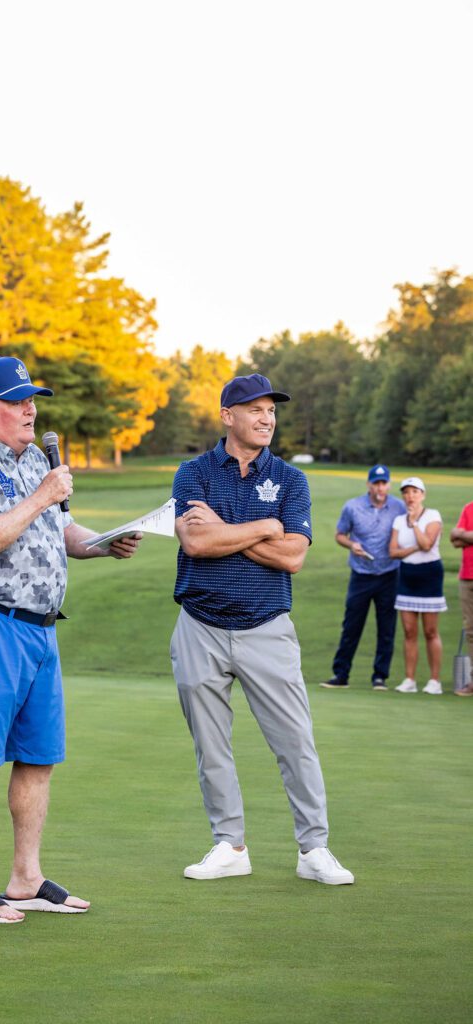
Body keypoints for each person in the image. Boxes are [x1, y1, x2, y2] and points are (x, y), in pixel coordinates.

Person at [0, 355, 140, 924]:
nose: (30, 410)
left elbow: (58, 530)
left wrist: (102, 543)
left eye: (32, 400)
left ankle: (25, 877)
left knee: (38, 756)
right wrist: (44, 495)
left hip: (39, 628)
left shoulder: (30, 461)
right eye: (17, 401)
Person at [170, 373, 354, 886]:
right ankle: (229, 845)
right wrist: (266, 527)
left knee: (295, 742)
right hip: (199, 626)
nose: (267, 418)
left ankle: (314, 849)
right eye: (255, 409)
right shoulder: (192, 473)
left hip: (268, 626)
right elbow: (195, 543)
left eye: (272, 410)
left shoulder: (291, 480)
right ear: (227, 416)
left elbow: (293, 556)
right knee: (211, 746)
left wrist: (226, 529)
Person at [320, 465, 405, 691]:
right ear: (369, 484)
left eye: (384, 483)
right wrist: (351, 545)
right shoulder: (353, 506)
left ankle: (380, 677)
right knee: (351, 626)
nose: (380, 488)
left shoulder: (399, 507)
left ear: (389, 485)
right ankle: (341, 674)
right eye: (376, 483)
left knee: (386, 628)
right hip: (361, 574)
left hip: (389, 574)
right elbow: (340, 535)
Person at [389, 477, 446, 694]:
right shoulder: (398, 520)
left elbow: (427, 544)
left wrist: (414, 524)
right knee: (409, 631)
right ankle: (410, 680)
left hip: (430, 574)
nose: (410, 496)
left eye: (414, 491)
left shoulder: (433, 516)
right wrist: (413, 548)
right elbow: (393, 552)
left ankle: (434, 681)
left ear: (423, 494)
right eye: (406, 492)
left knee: (430, 631)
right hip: (407, 575)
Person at [451, 499, 473, 696]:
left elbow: (459, 536)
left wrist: (462, 534)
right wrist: (464, 536)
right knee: (471, 631)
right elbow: (454, 540)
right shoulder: (469, 508)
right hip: (467, 577)